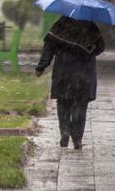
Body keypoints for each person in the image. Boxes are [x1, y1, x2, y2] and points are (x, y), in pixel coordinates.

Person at [35, 16, 105, 150]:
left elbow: (48, 46)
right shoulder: (90, 26)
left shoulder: (61, 24)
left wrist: (41, 66)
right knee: (80, 105)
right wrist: (87, 51)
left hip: (63, 71)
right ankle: (77, 139)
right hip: (84, 73)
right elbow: (101, 47)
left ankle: (65, 131)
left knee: (63, 101)